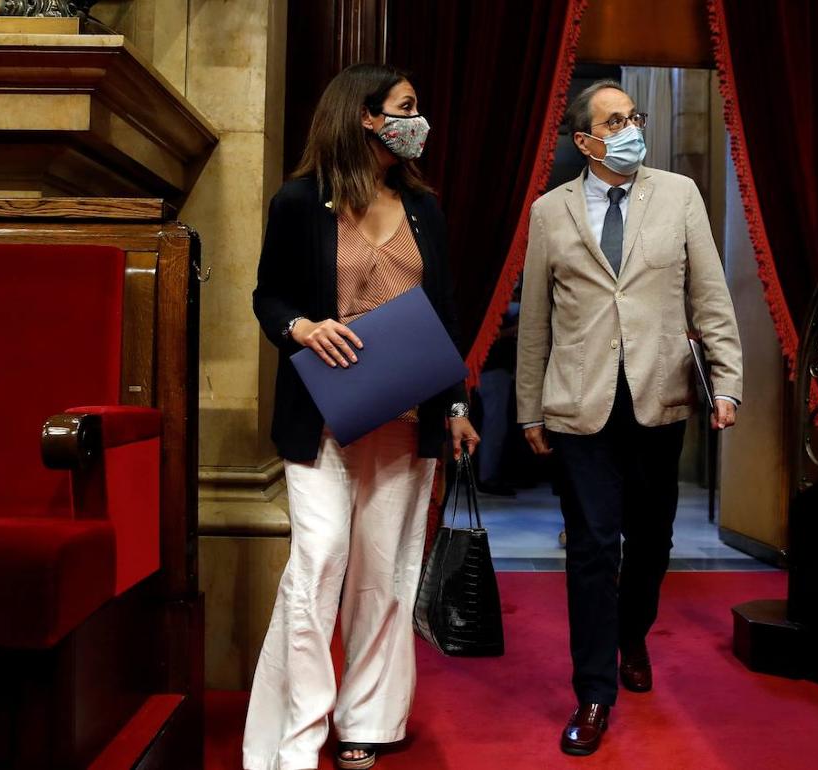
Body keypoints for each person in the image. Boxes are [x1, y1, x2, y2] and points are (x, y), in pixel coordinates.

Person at [245, 63, 479, 770]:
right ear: (367, 118)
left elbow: (446, 314)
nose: (420, 121)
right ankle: (295, 737)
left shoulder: (424, 208)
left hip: (409, 417)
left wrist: (459, 404)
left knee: (384, 571)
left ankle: (366, 723)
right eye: (407, 108)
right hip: (321, 415)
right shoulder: (298, 202)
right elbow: (268, 297)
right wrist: (302, 330)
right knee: (316, 564)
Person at [516, 79, 743, 756]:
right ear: (585, 140)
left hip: (659, 396)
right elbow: (536, 322)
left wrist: (727, 382)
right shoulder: (549, 213)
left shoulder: (678, 196)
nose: (630, 128)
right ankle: (592, 691)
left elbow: (710, 296)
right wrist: (530, 404)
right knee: (590, 545)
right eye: (615, 121)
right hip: (578, 403)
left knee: (652, 539)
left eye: (634, 116)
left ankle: (632, 632)